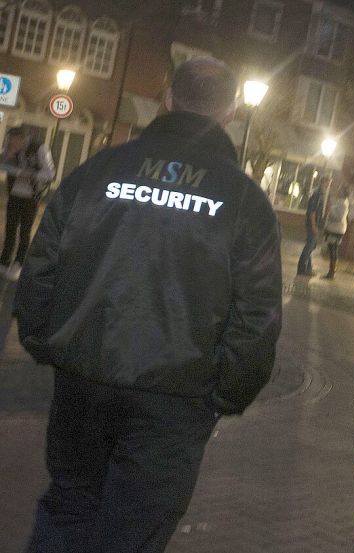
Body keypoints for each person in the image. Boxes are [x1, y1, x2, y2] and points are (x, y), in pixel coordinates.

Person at [15, 57, 282, 553]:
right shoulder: (245, 202)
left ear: (167, 98)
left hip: (85, 375)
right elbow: (257, 314)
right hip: (176, 393)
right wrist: (224, 392)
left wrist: (46, 341)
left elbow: (42, 266)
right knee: (134, 531)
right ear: (232, 112)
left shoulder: (99, 170)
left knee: (70, 506)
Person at [0, 126, 55, 281]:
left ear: (22, 138)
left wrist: (28, 173)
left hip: (31, 195)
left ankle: (19, 263)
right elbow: (2, 163)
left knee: (24, 230)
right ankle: (4, 260)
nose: (10, 143)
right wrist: (8, 156)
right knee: (10, 228)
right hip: (15, 193)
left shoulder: (39, 148)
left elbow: (50, 173)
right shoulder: (12, 148)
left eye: (13, 141)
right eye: (9, 141)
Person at [297, 175, 328, 276]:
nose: (328, 186)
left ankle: (308, 268)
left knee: (311, 246)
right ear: (324, 182)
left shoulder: (320, 194)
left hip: (314, 223)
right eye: (328, 183)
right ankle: (302, 268)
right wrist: (314, 225)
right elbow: (312, 211)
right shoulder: (318, 195)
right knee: (309, 246)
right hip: (313, 224)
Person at [321, 184, 349, 279]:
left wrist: (330, 211)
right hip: (333, 229)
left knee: (333, 249)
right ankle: (331, 271)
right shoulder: (339, 202)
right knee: (332, 249)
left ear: (343, 193)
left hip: (336, 230)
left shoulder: (343, 204)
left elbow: (339, 217)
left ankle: (332, 272)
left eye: (340, 190)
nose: (338, 191)